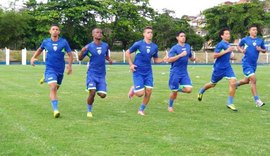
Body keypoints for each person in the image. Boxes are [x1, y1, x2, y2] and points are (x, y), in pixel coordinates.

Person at [31, 24, 73, 118]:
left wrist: (69, 66)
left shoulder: (64, 42)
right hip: (50, 68)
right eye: (53, 29)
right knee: (53, 87)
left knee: (55, 88)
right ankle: (56, 110)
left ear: (59, 32)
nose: (55, 31)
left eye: (56, 29)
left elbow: (70, 55)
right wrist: (33, 58)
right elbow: (39, 50)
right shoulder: (46, 42)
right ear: (50, 31)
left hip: (60, 70)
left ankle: (45, 77)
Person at [126, 26, 166, 116]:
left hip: (148, 72)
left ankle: (141, 110)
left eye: (151, 32)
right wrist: (131, 65)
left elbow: (156, 60)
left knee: (148, 91)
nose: (150, 34)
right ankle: (133, 89)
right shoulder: (138, 44)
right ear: (144, 34)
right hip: (138, 71)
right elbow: (127, 52)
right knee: (140, 94)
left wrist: (163, 59)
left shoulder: (154, 47)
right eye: (148, 32)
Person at [198, 28, 237, 111]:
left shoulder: (228, 45)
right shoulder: (220, 44)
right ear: (222, 36)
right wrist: (227, 51)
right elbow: (215, 55)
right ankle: (201, 91)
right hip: (218, 68)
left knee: (233, 82)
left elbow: (229, 55)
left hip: (227, 67)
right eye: (226, 34)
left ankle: (230, 103)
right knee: (212, 84)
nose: (228, 35)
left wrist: (233, 57)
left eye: (229, 34)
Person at [79, 28, 112, 118]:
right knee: (92, 92)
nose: (100, 34)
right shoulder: (89, 46)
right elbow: (80, 58)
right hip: (92, 73)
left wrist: (109, 60)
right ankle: (89, 111)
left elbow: (106, 55)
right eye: (97, 32)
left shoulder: (105, 45)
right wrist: (82, 51)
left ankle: (98, 88)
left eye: (101, 33)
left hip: (102, 74)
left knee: (102, 95)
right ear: (93, 35)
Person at [236, 25, 266, 107]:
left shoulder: (260, 40)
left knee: (246, 81)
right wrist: (242, 50)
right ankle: (257, 100)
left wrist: (261, 50)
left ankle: (235, 84)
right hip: (246, 63)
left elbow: (265, 50)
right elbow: (238, 46)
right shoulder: (245, 39)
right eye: (253, 30)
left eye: (256, 30)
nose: (255, 31)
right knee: (253, 79)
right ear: (249, 31)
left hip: (254, 64)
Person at [166, 31, 196, 112]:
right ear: (177, 38)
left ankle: (175, 88)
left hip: (184, 72)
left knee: (189, 90)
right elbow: (169, 60)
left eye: (184, 36)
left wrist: (193, 59)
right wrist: (180, 55)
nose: (183, 37)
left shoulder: (188, 46)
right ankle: (170, 106)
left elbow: (190, 56)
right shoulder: (174, 48)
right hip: (175, 72)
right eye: (181, 36)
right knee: (174, 92)